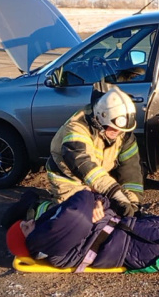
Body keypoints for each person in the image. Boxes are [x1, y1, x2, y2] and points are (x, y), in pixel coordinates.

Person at [5, 190, 159, 274]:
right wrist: (89, 199)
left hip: (130, 229)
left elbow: (92, 202)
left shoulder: (47, 233)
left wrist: (96, 202)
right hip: (132, 247)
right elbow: (76, 209)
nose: (31, 222)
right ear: (28, 242)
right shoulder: (48, 244)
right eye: (26, 227)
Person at [42, 85, 143, 218]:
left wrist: (133, 203)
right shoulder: (77, 127)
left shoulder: (124, 134)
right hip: (69, 179)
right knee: (75, 217)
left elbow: (131, 171)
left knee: (109, 215)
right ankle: (37, 209)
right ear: (101, 120)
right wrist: (115, 193)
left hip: (97, 181)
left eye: (122, 130)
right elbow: (82, 163)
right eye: (114, 128)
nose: (118, 133)